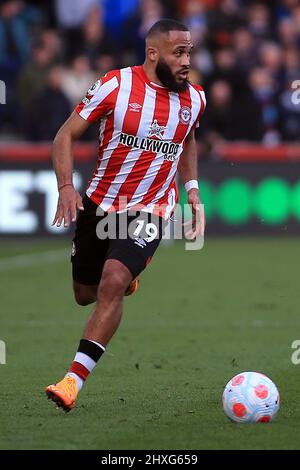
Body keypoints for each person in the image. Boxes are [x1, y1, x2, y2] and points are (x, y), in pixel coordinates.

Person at [45, 18, 206, 412]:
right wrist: (66, 187)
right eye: (178, 52)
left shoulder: (195, 99)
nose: (187, 60)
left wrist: (192, 193)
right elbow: (65, 135)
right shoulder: (117, 85)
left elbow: (186, 142)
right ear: (153, 53)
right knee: (85, 295)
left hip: (151, 208)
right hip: (100, 205)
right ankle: (122, 279)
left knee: (112, 281)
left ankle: (72, 381)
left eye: (189, 52)